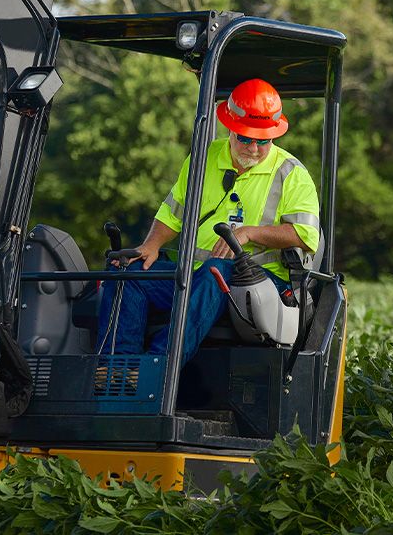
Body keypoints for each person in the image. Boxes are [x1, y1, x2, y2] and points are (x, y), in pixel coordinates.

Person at [96, 78, 321, 365]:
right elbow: (173, 211)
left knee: (217, 270)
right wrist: (151, 245)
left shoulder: (291, 173)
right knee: (129, 271)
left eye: (262, 141)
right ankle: (117, 371)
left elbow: (305, 235)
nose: (253, 148)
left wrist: (249, 233)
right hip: (197, 274)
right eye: (245, 138)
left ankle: (159, 367)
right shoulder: (203, 158)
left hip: (261, 282)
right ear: (230, 128)